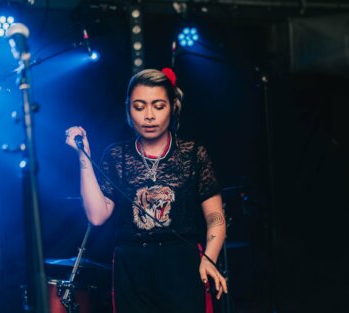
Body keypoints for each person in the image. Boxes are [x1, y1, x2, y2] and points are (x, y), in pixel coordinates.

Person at [65, 68, 228, 313]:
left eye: (158, 106)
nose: (149, 116)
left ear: (172, 106)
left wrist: (209, 257)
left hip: (182, 263)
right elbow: (97, 216)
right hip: (130, 266)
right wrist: (83, 155)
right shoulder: (116, 155)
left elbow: (215, 218)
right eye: (139, 107)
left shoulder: (193, 153)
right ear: (128, 109)